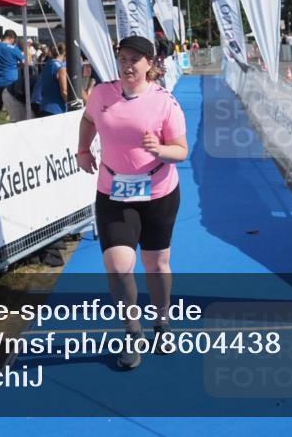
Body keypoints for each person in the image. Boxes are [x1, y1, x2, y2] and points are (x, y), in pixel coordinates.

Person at [77, 36, 188, 370]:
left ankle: (163, 323)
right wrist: (83, 150)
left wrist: (160, 150)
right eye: (123, 58)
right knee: (119, 265)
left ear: (150, 64)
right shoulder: (101, 95)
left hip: (159, 192)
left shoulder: (164, 102)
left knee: (156, 266)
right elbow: (88, 120)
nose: (127, 65)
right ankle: (132, 331)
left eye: (135, 60)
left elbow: (181, 151)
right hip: (114, 191)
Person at [0, 30, 24, 127]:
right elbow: (25, 62)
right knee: (16, 111)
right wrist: (18, 67)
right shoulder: (14, 49)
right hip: (11, 83)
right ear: (12, 39)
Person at [38, 43, 69, 117]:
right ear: (65, 53)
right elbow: (64, 92)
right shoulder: (61, 68)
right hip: (56, 109)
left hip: (44, 106)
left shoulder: (47, 64)